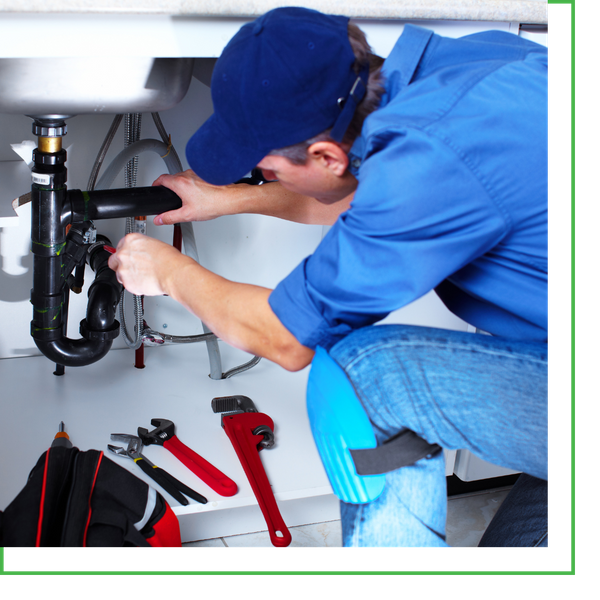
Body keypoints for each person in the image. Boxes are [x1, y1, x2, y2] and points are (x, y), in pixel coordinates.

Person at [108, 7, 549, 549]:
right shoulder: (464, 70)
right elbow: (371, 194)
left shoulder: (432, 160)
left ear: (324, 153)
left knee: (363, 376)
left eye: (266, 169)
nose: (263, 175)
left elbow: (287, 340)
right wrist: (226, 199)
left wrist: (170, 273)